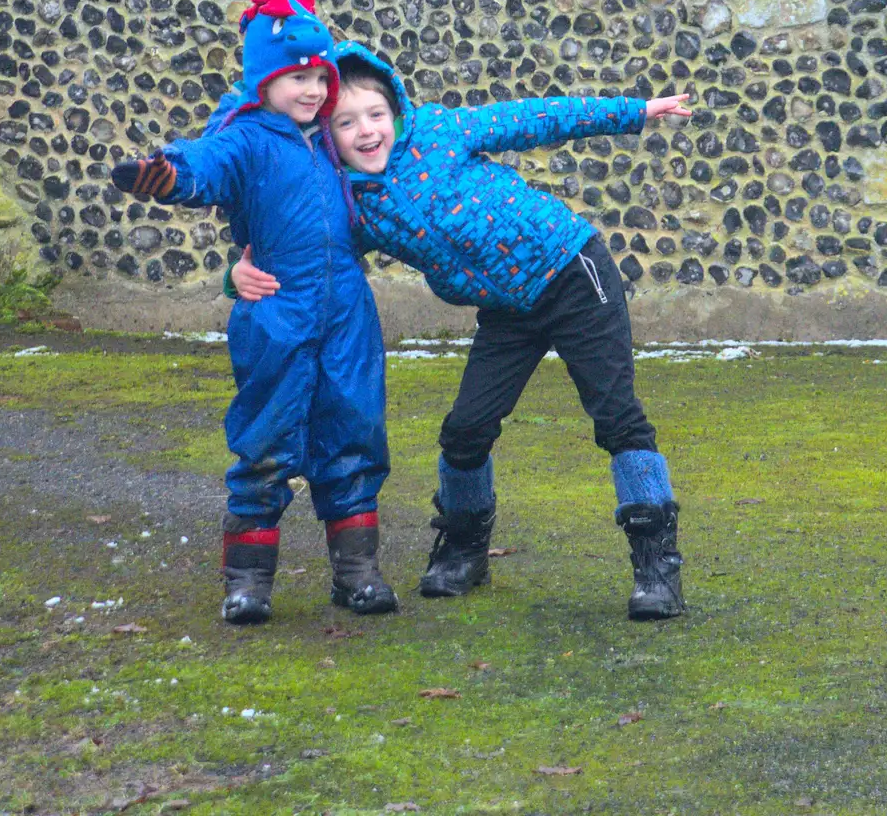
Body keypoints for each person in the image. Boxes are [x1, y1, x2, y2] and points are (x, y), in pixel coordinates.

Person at [231, 43, 692, 622]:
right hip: (507, 309)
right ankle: (464, 548)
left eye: (375, 114)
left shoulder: (441, 132)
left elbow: (539, 118)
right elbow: (305, 253)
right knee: (465, 431)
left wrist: (637, 111)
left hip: (574, 273)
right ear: (329, 136)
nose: (367, 131)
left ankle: (657, 567)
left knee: (617, 417)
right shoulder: (352, 205)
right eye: (346, 123)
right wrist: (237, 273)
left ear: (395, 110)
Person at [110, 0, 397, 626]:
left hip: (348, 311)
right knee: (267, 434)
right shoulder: (247, 138)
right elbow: (209, 161)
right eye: (297, 76)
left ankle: (357, 572)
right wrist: (173, 174)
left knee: (354, 428)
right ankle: (247, 580)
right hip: (275, 308)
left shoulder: (334, 136)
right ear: (263, 80)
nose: (314, 89)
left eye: (319, 75)